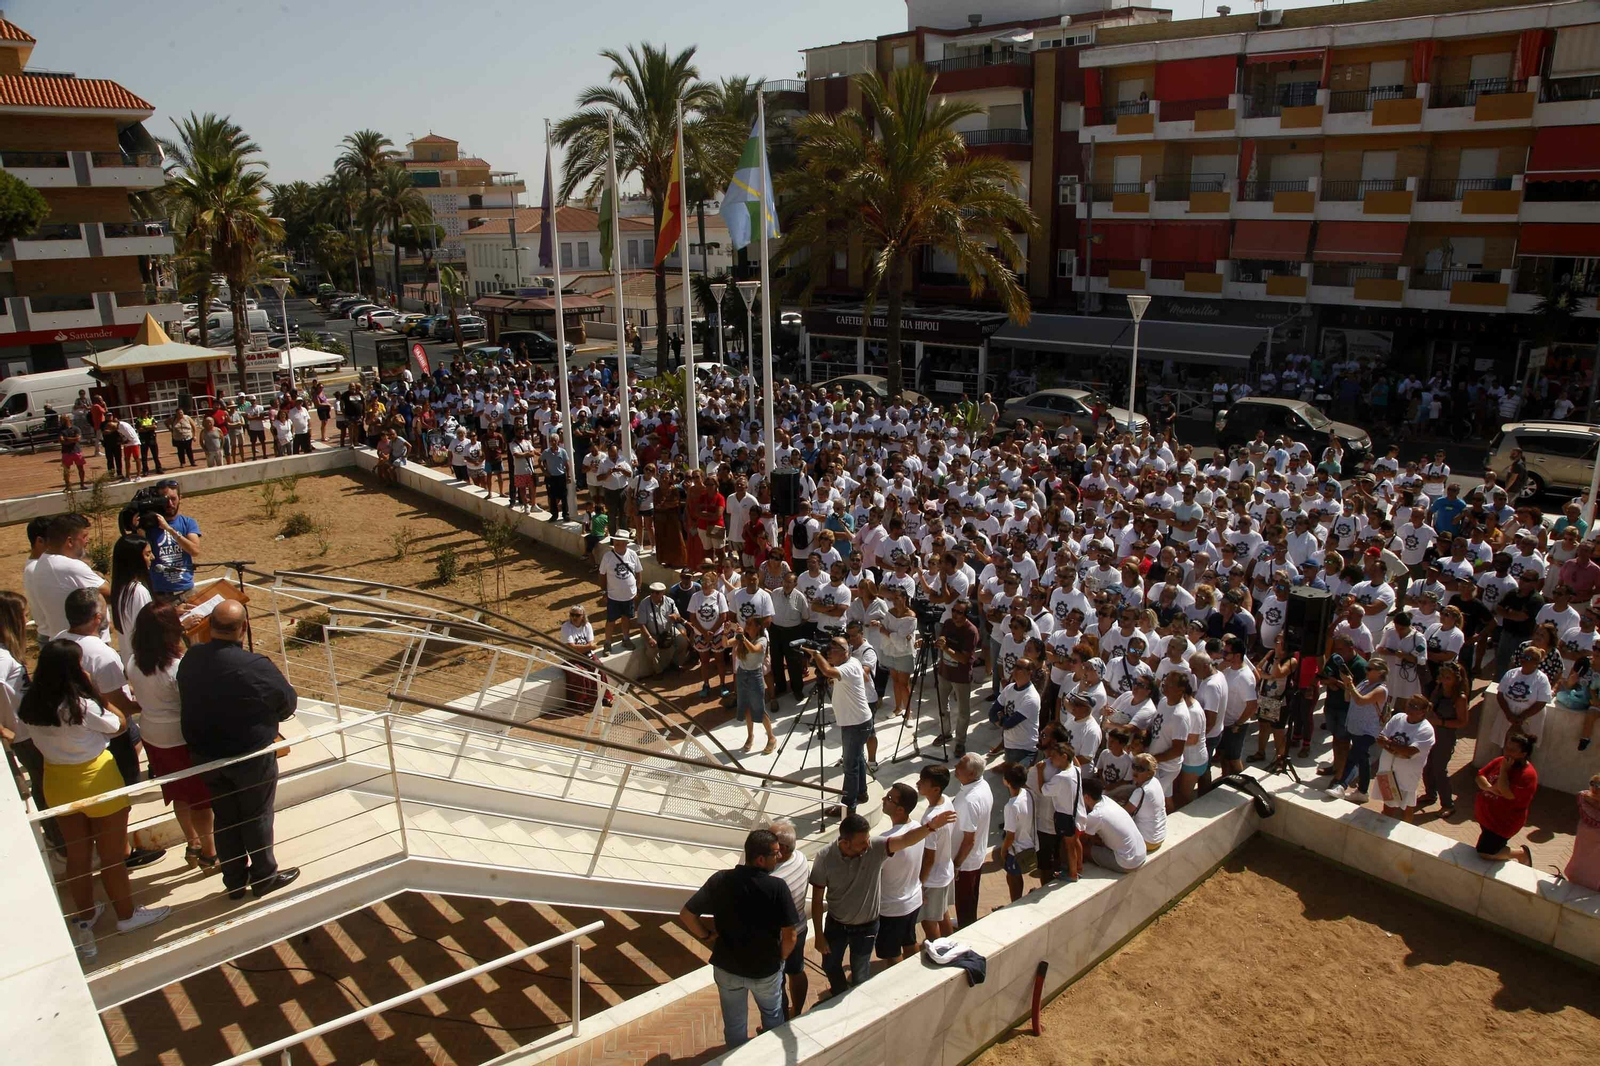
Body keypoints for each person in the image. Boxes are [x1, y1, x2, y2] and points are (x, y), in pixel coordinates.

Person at [18, 639, 170, 958]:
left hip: (57, 781)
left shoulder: (31, 704)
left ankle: (85, 917)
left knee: (78, 855)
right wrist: (96, 691)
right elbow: (119, 725)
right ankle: (127, 916)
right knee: (112, 855)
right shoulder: (81, 705)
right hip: (97, 779)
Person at [177, 599, 300, 900]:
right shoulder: (254, 666)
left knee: (226, 817)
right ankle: (264, 877)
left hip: (207, 758)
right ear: (243, 629)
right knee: (256, 816)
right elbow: (287, 703)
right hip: (250, 757)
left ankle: (233, 881)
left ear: (211, 627)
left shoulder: (191, 658)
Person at [807, 806, 955, 998]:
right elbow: (817, 900)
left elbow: (905, 840)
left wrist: (930, 827)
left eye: (868, 838)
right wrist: (819, 934)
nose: (867, 845)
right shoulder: (825, 857)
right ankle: (839, 994)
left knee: (861, 974)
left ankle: (855, 1003)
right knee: (830, 965)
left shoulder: (875, 848)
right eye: (861, 842)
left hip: (866, 929)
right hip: (836, 926)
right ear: (845, 843)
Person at [678, 828, 797, 1049]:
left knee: (734, 1026)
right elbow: (790, 935)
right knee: (773, 1019)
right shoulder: (777, 887)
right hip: (765, 970)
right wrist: (779, 959)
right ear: (761, 859)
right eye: (775, 853)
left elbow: (687, 915)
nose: (779, 857)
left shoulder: (720, 879)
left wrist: (706, 935)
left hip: (727, 968)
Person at [126, 602, 216, 872]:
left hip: (153, 736)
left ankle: (193, 843)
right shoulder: (177, 667)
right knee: (201, 799)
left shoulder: (133, 661)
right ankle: (210, 853)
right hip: (180, 739)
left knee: (178, 794)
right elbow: (192, 702)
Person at [806, 637, 873, 817]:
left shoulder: (848, 667)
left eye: (832, 651)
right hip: (857, 721)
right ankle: (861, 793)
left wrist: (816, 654)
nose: (828, 654)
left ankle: (848, 806)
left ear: (845, 652)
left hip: (855, 723)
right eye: (827, 651)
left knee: (850, 766)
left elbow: (827, 671)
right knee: (858, 759)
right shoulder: (852, 662)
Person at [24, 513, 110, 647]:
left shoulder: (42, 561)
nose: (87, 541)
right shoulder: (70, 567)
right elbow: (109, 593)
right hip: (86, 643)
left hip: (64, 641)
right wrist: (101, 578)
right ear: (70, 541)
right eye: (84, 536)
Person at [875, 782, 929, 964]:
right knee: (909, 940)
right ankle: (912, 974)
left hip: (893, 908)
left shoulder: (885, 840)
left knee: (891, 953)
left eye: (889, 798)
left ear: (900, 810)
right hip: (913, 900)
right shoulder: (918, 829)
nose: (884, 799)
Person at [1328, 657, 1390, 803]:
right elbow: (1348, 698)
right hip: (1355, 727)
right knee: (1363, 758)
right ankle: (1362, 792)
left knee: (1353, 756)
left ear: (1380, 672)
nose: (1366, 671)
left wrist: (1350, 684)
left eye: (1370, 669)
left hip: (1368, 731)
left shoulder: (1381, 690)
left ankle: (1340, 785)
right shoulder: (1364, 682)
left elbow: (1361, 701)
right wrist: (1347, 684)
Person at [767, 819, 812, 1020]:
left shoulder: (775, 879)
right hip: (800, 928)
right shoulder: (801, 858)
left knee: (777, 981)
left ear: (782, 848)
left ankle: (782, 1019)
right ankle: (797, 1012)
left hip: (781, 937)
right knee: (796, 971)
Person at [1473, 733, 1538, 866]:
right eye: (1507, 747)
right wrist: (1490, 788)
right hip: (1487, 818)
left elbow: (1506, 793)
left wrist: (1504, 771)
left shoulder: (1527, 775)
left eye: (1513, 750)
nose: (1507, 752)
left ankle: (1521, 854)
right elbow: (1480, 776)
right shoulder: (1500, 760)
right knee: (1486, 844)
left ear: (1523, 753)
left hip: (1502, 824)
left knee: (1485, 852)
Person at [1420, 660, 1470, 816]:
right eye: (1442, 676)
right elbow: (1431, 704)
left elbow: (1462, 722)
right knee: (1427, 766)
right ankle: (1430, 794)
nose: (1444, 680)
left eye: (1448, 677)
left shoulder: (1460, 698)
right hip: (1431, 732)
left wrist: (1440, 722)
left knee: (1439, 769)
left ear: (1456, 679)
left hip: (1445, 736)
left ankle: (1448, 804)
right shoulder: (1439, 689)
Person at [1374, 694, 1436, 821]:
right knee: (1388, 803)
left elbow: (1409, 752)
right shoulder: (1398, 717)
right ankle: (1385, 823)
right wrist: (1396, 751)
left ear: (1423, 712)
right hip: (1387, 770)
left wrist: (1390, 744)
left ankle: (1406, 830)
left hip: (1406, 776)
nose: (1410, 708)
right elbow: (1380, 739)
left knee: (1406, 806)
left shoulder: (1426, 730)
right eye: (1410, 704)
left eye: (1415, 706)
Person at [950, 751, 993, 928]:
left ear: (972, 774)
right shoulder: (983, 786)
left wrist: (957, 864)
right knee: (970, 896)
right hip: (976, 856)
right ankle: (966, 922)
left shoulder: (969, 801)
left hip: (966, 861)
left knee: (964, 899)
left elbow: (969, 840)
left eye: (961, 766)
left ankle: (965, 928)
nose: (956, 768)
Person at [916, 764, 957, 940]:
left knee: (928, 920)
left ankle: (938, 949)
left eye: (922, 782)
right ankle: (949, 942)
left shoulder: (930, 819)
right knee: (942, 913)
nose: (918, 783)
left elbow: (929, 858)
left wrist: (919, 884)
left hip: (933, 879)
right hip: (945, 871)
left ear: (935, 789)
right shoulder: (947, 800)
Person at [935, 599, 979, 753]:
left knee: (963, 712)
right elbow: (941, 641)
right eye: (954, 610)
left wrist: (945, 648)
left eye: (959, 612)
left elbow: (964, 658)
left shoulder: (971, 631)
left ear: (966, 614)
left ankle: (960, 741)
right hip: (944, 673)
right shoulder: (947, 623)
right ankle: (946, 733)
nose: (955, 614)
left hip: (961, 677)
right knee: (942, 706)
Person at [1081, 774, 1147, 873]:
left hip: (1128, 863)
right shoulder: (1107, 800)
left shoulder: (1096, 815)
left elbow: (1082, 839)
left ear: (1086, 797)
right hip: (1141, 853)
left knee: (1082, 848)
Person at [146, 480, 202, 597]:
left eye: (173, 499)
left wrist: (169, 529)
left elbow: (195, 550)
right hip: (161, 595)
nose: (169, 504)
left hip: (187, 591)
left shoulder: (188, 523)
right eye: (164, 499)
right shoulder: (149, 527)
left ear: (180, 498)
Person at [107, 533, 153, 668]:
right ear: (134, 559)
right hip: (145, 664)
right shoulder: (138, 592)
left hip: (133, 662)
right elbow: (148, 630)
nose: (152, 558)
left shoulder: (121, 589)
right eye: (147, 554)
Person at [733, 616, 775, 754]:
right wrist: (726, 631)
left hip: (754, 675)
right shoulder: (744, 637)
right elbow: (726, 643)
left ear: (758, 627)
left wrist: (742, 638)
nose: (747, 627)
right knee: (746, 707)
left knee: (759, 708)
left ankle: (771, 737)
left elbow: (754, 649)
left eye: (750, 625)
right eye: (747, 624)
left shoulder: (762, 640)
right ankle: (750, 736)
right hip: (742, 674)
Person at [996, 761, 1036, 902]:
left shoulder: (1011, 807)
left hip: (1017, 850)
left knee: (1013, 878)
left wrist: (1003, 850)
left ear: (1006, 782)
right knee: (1014, 876)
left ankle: (1016, 903)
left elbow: (1010, 836)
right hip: (1031, 844)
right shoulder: (1028, 793)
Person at [635, 581, 689, 677]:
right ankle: (658, 671)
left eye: (656, 592)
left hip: (669, 630)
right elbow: (641, 624)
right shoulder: (644, 604)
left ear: (662, 593)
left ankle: (675, 663)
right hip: (652, 633)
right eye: (652, 592)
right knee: (652, 651)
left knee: (683, 642)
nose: (653, 594)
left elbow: (678, 615)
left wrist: (675, 616)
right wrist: (649, 638)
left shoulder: (670, 602)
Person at [599, 533, 642, 653]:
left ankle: (626, 638)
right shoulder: (607, 556)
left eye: (619, 542)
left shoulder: (632, 555)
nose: (616, 544)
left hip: (629, 596)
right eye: (615, 541)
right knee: (611, 621)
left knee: (626, 618)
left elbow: (638, 572)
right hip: (613, 596)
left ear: (626, 543)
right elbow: (602, 574)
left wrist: (638, 588)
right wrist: (603, 591)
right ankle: (607, 643)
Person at [1565, 774, 1600, 891]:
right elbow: (1582, 794)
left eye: (1599, 786)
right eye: (1593, 784)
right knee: (1579, 858)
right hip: (1584, 838)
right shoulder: (1585, 798)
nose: (1595, 788)